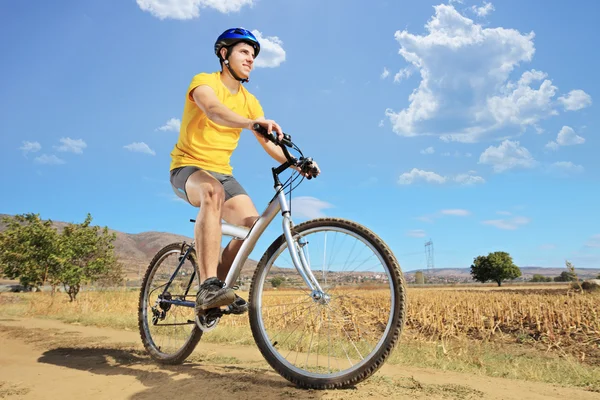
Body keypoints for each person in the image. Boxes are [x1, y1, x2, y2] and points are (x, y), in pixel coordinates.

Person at [169, 28, 320, 317]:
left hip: (222, 174)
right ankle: (207, 286)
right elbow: (213, 110)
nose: (250, 59)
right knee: (212, 192)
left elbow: (269, 142)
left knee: (253, 225)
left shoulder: (250, 101)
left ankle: (218, 289)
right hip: (187, 168)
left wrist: (296, 162)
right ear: (224, 55)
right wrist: (251, 123)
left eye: (253, 55)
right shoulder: (204, 82)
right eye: (243, 52)